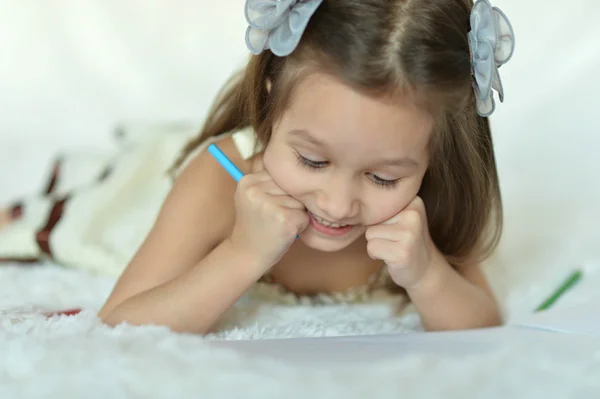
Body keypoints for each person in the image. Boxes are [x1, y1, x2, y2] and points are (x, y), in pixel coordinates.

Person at [1, 0, 515, 334]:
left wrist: (426, 273)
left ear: (434, 158)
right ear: (269, 105)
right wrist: (242, 253)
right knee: (102, 205)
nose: (336, 204)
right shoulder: (215, 178)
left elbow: (481, 322)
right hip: (173, 190)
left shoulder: (432, 200)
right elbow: (121, 322)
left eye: (383, 178)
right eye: (312, 159)